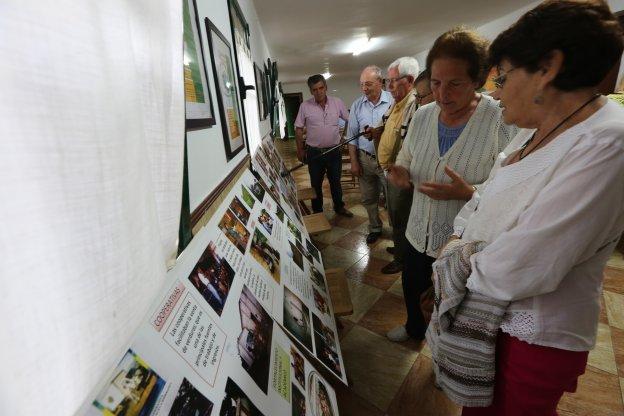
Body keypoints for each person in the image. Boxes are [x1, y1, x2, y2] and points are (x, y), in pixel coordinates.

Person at [443, 2, 624, 413]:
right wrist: (461, 240)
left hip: (529, 338)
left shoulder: (607, 141)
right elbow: (482, 200)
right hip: (485, 315)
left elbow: (527, 265)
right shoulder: (533, 132)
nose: (495, 91)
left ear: (548, 67)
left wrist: (453, 257)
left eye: (503, 77)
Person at [386, 27, 517, 342]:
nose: (443, 94)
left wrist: (469, 193)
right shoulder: (422, 116)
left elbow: (511, 187)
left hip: (462, 244)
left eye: (455, 83)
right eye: (436, 83)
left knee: (454, 307)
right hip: (418, 233)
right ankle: (414, 329)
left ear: (477, 79)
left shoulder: (500, 118)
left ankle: (444, 354)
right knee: (414, 286)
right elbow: (406, 156)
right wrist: (401, 171)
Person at [367, 57, 421, 274]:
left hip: (401, 173)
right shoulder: (397, 103)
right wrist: (376, 131)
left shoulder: (415, 103)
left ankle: (402, 259)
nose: (388, 87)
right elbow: (388, 127)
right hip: (389, 170)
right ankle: (400, 248)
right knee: (394, 214)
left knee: (401, 217)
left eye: (392, 81)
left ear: (408, 80)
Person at [347, 66, 394, 243]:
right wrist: (354, 162)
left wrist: (378, 132)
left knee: (393, 200)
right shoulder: (357, 105)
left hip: (388, 161)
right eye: (362, 85)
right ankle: (375, 228)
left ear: (380, 83)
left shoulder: (393, 101)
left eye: (368, 84)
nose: (364, 89)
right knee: (368, 198)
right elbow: (351, 136)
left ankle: (397, 233)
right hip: (365, 159)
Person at [294, 74, 353, 217]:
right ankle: (318, 211)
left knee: (335, 182)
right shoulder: (305, 106)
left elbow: (349, 120)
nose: (319, 92)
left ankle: (339, 207)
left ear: (326, 87)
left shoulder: (337, 102)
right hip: (314, 153)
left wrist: (343, 137)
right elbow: (298, 128)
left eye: (321, 88)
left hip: (334, 152)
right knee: (315, 183)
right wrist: (300, 150)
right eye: (315, 89)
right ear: (310, 91)